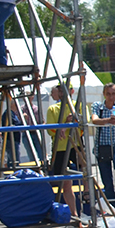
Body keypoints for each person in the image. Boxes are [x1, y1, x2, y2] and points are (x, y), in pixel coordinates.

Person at [46, 84, 85, 216]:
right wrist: (65, 125)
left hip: (76, 144)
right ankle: (73, 213)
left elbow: (84, 125)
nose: (63, 93)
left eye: (65, 90)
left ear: (72, 91)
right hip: (60, 148)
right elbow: (51, 130)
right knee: (66, 183)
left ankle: (89, 201)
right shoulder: (53, 109)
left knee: (86, 173)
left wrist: (68, 125)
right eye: (60, 91)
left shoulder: (79, 105)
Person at [90, 83, 115, 205]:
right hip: (102, 146)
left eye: (113, 94)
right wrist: (108, 120)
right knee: (106, 177)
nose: (111, 97)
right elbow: (95, 120)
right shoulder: (98, 106)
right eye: (108, 94)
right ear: (104, 94)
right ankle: (112, 204)